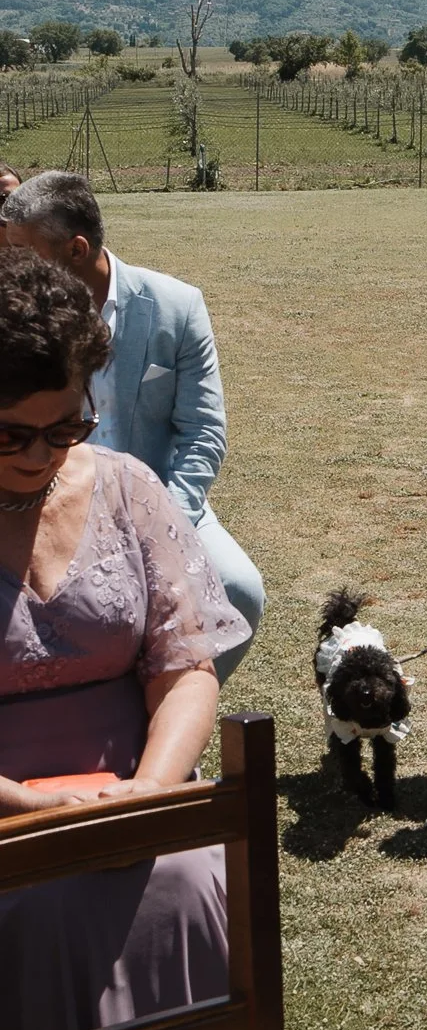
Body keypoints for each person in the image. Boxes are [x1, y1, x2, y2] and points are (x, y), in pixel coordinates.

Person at [0, 247, 318, 1030]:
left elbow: (185, 666)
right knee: (39, 909)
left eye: (65, 427)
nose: (42, 453)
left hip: (136, 793)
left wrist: (151, 792)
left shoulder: (129, 488)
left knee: (186, 881)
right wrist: (33, 812)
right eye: (11, 433)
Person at [0, 171, 263, 682]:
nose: (9, 264)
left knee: (240, 591)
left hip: (160, 499)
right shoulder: (14, 313)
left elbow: (203, 432)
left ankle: (157, 715)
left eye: (22, 251)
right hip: (35, 495)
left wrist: (164, 527)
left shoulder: (175, 307)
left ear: (76, 250)